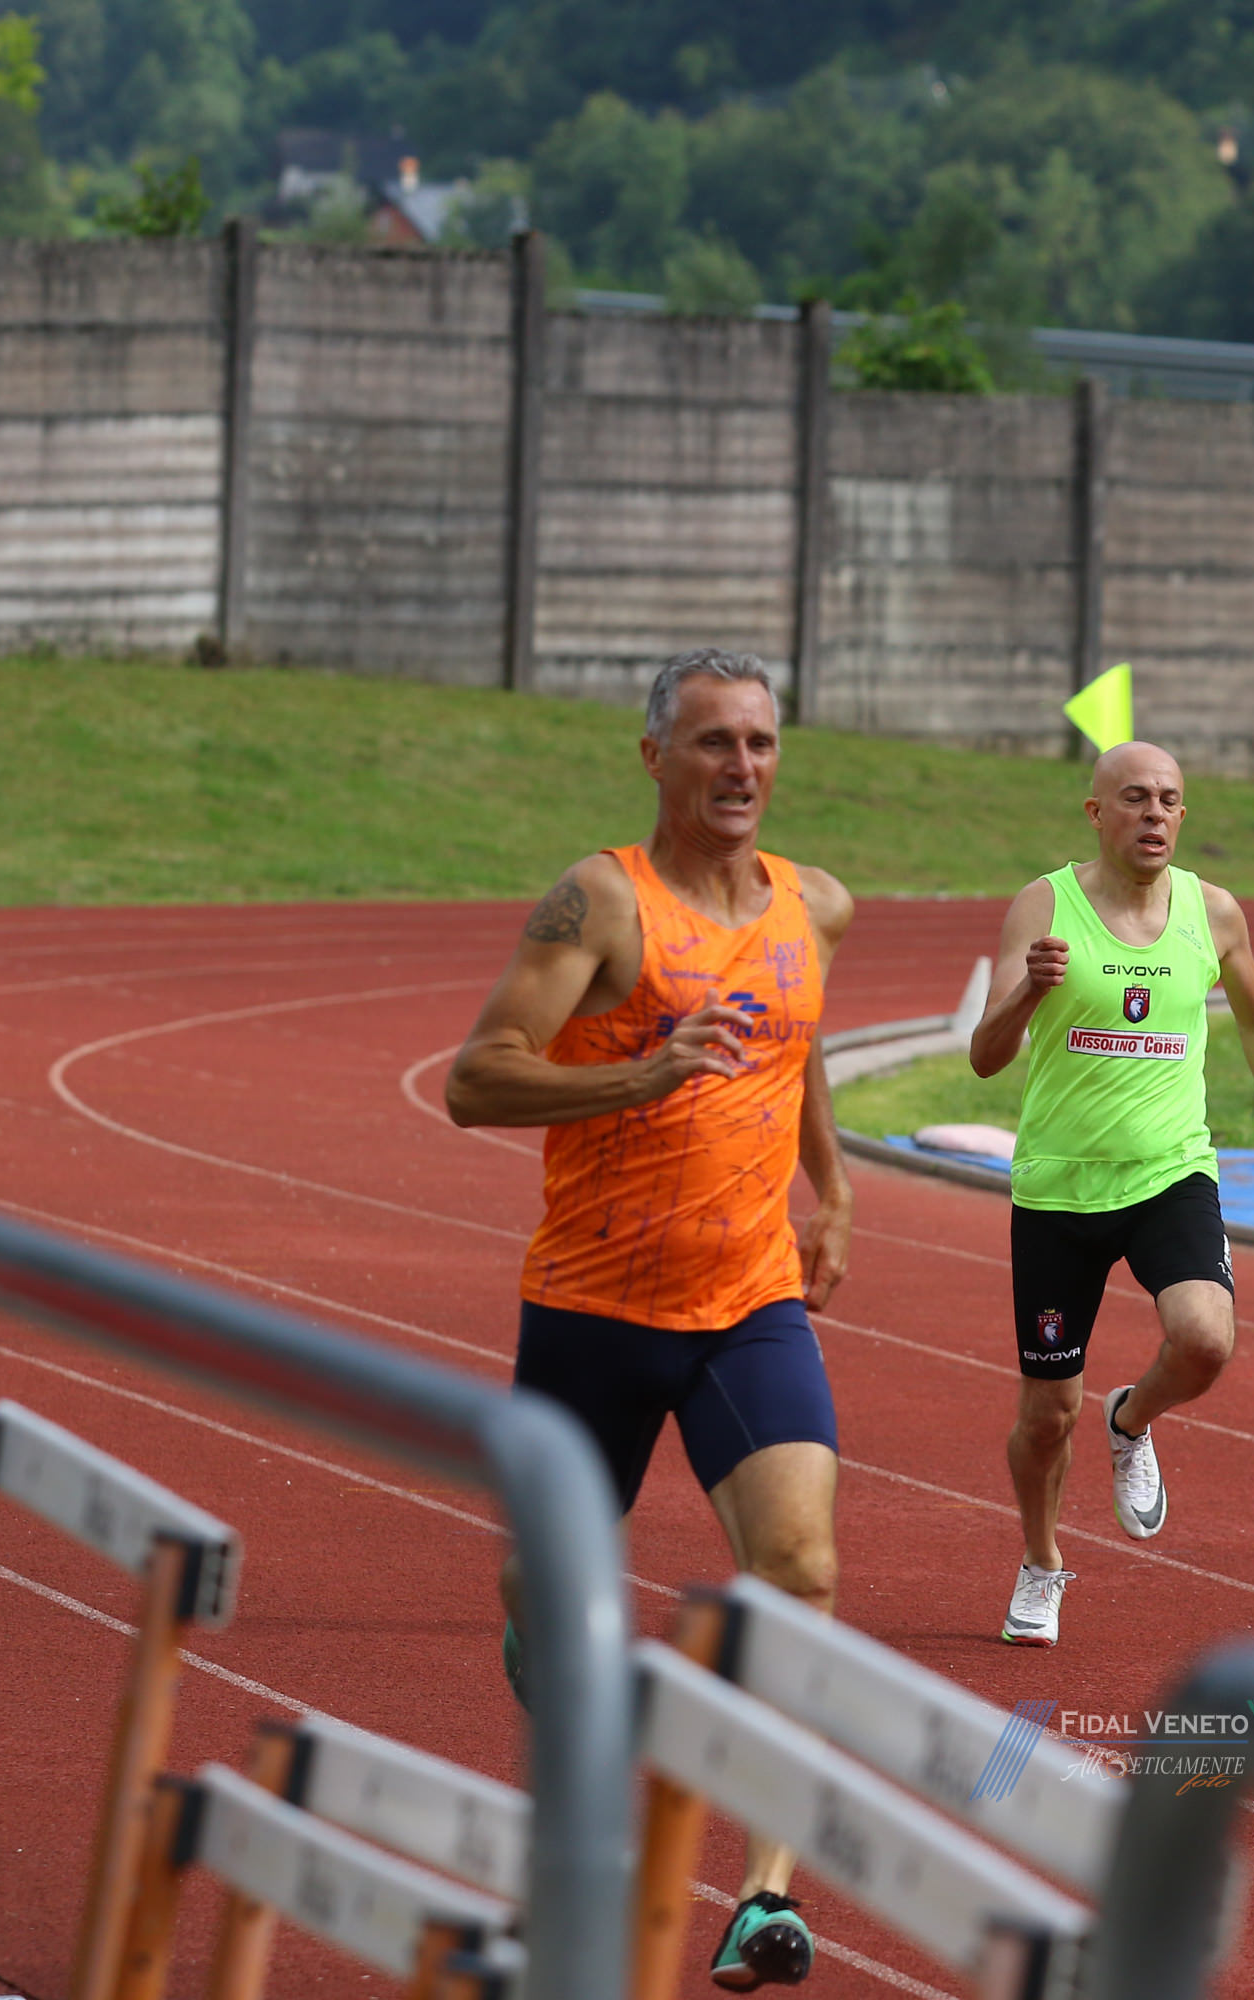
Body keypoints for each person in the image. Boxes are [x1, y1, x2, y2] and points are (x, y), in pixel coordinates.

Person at [444, 648, 854, 1992]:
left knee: (800, 1567)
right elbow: (476, 1080)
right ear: (655, 756)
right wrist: (637, 1079)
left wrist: (834, 1189)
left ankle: (765, 1897)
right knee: (550, 1587)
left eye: (761, 742)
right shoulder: (599, 902)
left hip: (748, 1303)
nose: (742, 767)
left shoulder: (816, 905)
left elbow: (795, 1045)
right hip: (594, 1306)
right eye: (713, 742)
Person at [968, 740, 1254, 1645]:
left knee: (1205, 1339)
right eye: (1134, 798)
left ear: (1183, 815)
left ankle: (1131, 1419)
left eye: (1168, 799)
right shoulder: (1044, 906)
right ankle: (1041, 1562)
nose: (1154, 813)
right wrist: (1026, 992)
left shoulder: (1213, 912)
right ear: (1097, 813)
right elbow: (985, 1056)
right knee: (1047, 1415)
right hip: (1059, 1189)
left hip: (1171, 1174)